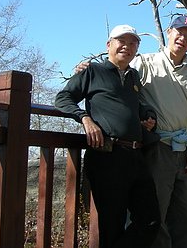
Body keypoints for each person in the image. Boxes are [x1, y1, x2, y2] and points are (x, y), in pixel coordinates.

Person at [55, 24, 160, 248]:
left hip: (136, 156)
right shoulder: (92, 71)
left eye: (133, 43)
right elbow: (63, 98)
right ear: (109, 45)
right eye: (122, 41)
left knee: (151, 220)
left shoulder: (133, 77)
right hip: (107, 157)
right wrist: (85, 118)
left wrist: (149, 116)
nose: (127, 46)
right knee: (111, 225)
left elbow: (140, 106)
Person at [131, 15, 187, 248]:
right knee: (156, 212)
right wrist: (88, 70)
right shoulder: (144, 63)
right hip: (158, 147)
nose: (183, 38)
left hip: (185, 150)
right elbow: (119, 79)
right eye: (179, 32)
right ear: (169, 32)